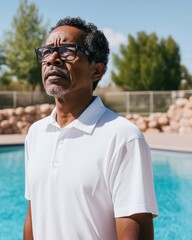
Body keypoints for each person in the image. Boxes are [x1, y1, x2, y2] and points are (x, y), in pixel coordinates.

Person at [23, 16, 158, 240]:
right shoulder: (36, 134)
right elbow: (33, 215)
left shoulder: (123, 137)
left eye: (68, 51)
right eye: (47, 51)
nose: (53, 59)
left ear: (96, 71)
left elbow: (136, 232)